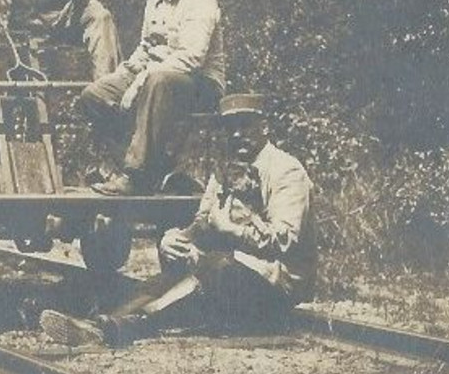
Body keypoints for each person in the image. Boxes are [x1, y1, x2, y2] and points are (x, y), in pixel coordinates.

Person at [39, 93, 316, 348]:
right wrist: (174, 239)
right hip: (229, 271)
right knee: (171, 276)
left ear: (264, 128)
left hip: (274, 285)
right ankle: (100, 324)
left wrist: (229, 230)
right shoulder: (223, 171)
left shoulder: (285, 171)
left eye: (245, 126)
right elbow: (203, 222)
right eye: (229, 128)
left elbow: (285, 241)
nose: (236, 134)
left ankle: (133, 327)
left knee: (211, 268)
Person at [75, 0, 224, 196]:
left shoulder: (201, 2)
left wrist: (142, 79)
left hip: (199, 84)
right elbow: (147, 46)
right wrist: (129, 70)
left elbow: (192, 58)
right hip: (155, 77)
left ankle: (136, 174)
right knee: (94, 95)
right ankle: (145, 169)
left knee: (158, 81)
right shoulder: (154, 2)